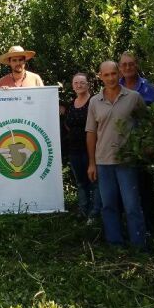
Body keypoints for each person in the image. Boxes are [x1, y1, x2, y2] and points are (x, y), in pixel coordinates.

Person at [86, 61, 147, 250]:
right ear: (100, 76)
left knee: (132, 206)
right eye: (106, 75)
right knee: (108, 205)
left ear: (119, 73)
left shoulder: (134, 97)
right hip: (103, 162)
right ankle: (115, 245)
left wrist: (144, 148)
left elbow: (147, 124)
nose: (111, 78)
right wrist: (91, 163)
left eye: (114, 73)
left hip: (126, 161)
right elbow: (91, 132)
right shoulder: (95, 102)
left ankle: (139, 246)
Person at [119, 51, 154, 234]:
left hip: (143, 150)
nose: (127, 67)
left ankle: (149, 232)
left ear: (136, 65)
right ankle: (129, 232)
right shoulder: (114, 88)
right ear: (120, 68)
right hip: (121, 150)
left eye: (131, 64)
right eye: (124, 64)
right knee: (124, 194)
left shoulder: (149, 89)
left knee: (145, 192)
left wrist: (151, 143)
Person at [65, 72, 101, 223]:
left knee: (94, 182)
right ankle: (82, 210)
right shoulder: (71, 104)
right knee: (80, 183)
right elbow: (67, 125)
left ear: (88, 84)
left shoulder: (94, 102)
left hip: (91, 150)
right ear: (73, 86)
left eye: (82, 82)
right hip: (74, 150)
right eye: (76, 83)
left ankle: (95, 213)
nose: (79, 85)